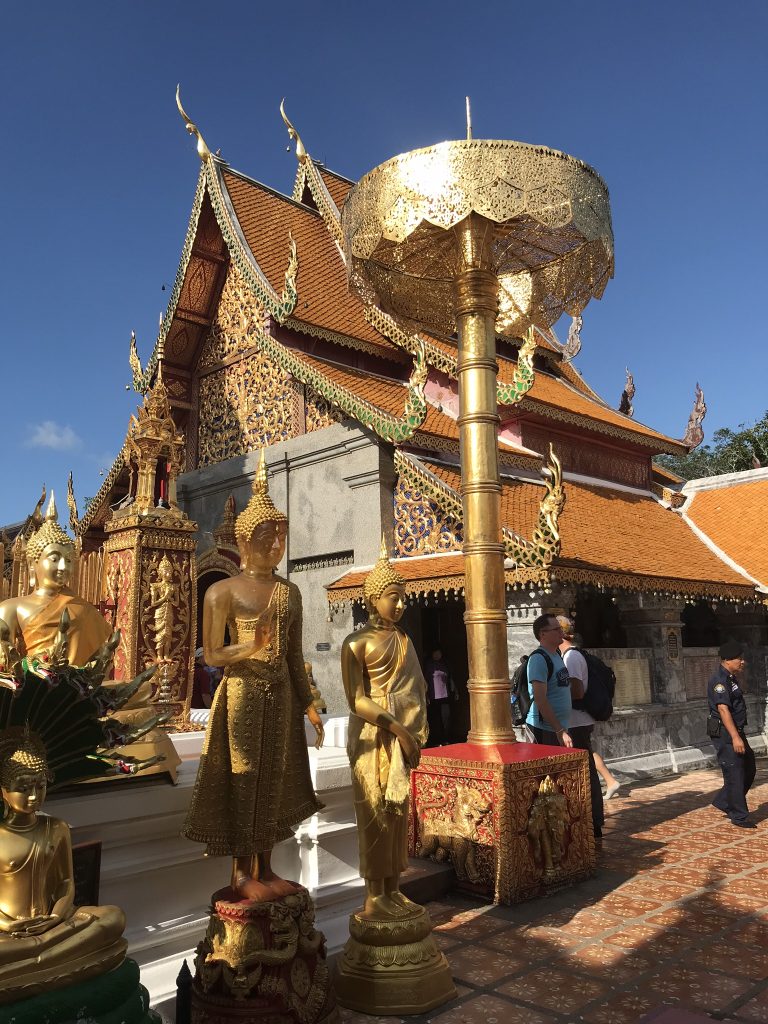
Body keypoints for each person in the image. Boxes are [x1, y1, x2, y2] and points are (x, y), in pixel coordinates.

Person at [182, 451, 325, 900]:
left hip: (281, 695)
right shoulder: (222, 591)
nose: (275, 546)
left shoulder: (290, 592)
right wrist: (252, 646)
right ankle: (241, 872)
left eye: (280, 537)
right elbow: (212, 655)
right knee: (244, 778)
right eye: (267, 536)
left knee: (276, 780)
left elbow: (295, 656)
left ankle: (267, 865)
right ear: (244, 541)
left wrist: (310, 704)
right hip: (241, 693)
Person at [341, 542, 428, 919]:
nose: (400, 605)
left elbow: (415, 690)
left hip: (401, 734)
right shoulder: (355, 642)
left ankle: (393, 888)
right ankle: (374, 894)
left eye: (403, 598)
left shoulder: (405, 639)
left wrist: (411, 732)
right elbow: (356, 700)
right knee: (374, 812)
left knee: (397, 813)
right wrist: (398, 730)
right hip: (370, 735)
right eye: (393, 597)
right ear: (374, 597)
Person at [558, 617, 604, 839]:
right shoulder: (569, 656)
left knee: (585, 771)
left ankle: (592, 819)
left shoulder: (571, 657)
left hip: (577, 721)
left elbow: (576, 691)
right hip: (576, 720)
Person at [708, 641, 757, 829]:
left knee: (749, 767)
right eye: (739, 658)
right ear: (728, 660)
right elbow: (723, 709)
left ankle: (724, 801)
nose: (742, 662)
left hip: (736, 730)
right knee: (734, 772)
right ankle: (739, 816)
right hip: (726, 733)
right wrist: (735, 737)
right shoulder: (719, 681)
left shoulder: (730, 677)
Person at [526, 614, 572, 747]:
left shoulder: (556, 655)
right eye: (556, 629)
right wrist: (559, 730)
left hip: (559, 728)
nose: (561, 632)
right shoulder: (539, 659)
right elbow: (540, 699)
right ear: (543, 634)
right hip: (543, 729)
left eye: (561, 628)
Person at [423, 648, 457, 745]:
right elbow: (425, 680)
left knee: (446, 716)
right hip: (433, 696)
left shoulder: (444, 664)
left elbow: (450, 678)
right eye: (435, 653)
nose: (437, 655)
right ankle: (436, 740)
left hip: (445, 695)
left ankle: (446, 738)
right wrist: (426, 695)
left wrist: (455, 691)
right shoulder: (429, 665)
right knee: (436, 719)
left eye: (439, 653)